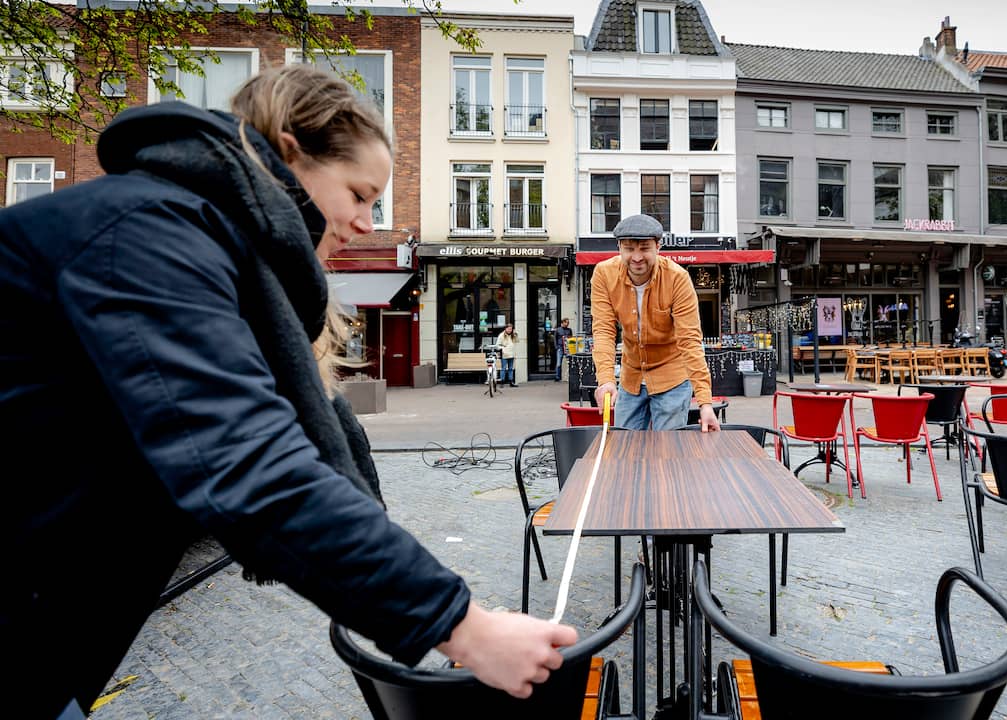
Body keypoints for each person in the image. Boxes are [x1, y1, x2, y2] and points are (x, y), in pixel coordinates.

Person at [0, 64, 575, 720]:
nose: (365, 221)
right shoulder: (148, 234)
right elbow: (250, 466)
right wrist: (464, 627)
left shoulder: (205, 251)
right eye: (360, 194)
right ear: (291, 151)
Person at [591, 214, 720, 432]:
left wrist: (705, 402)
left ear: (658, 247)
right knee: (625, 449)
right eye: (630, 248)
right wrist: (605, 380)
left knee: (667, 453)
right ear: (619, 247)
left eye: (644, 248)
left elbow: (690, 340)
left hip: (672, 377)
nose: (637, 257)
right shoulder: (604, 274)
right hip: (631, 376)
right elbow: (603, 330)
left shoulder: (677, 278)